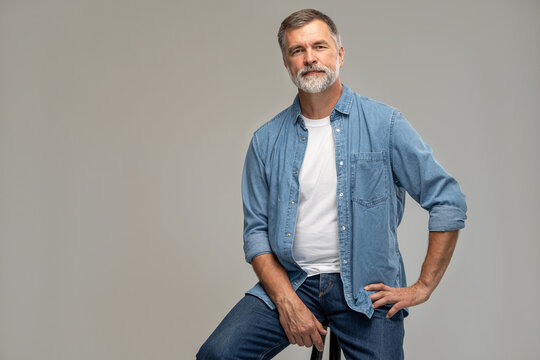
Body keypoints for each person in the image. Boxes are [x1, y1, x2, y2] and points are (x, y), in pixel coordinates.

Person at [197, 8, 467, 360]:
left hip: (367, 291)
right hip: (295, 282)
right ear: (286, 62)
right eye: (297, 51)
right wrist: (286, 301)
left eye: (319, 47)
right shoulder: (266, 141)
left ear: (339, 54)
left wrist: (423, 287)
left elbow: (448, 200)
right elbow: (256, 234)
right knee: (218, 354)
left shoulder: (384, 124)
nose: (310, 58)